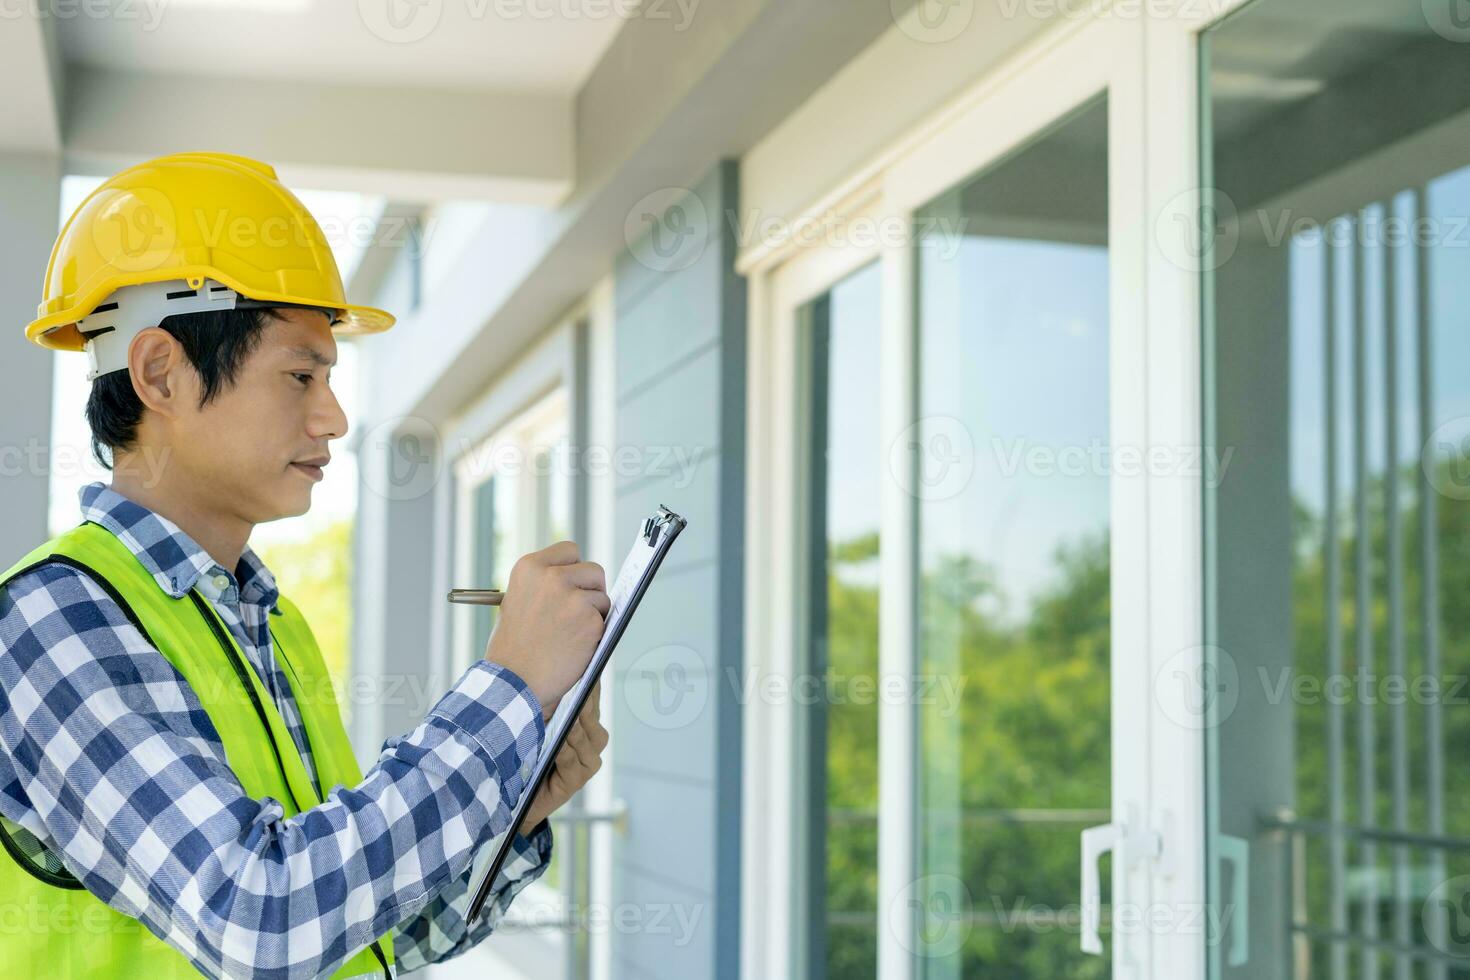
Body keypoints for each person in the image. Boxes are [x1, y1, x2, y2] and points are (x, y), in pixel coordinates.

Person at [0, 152, 610, 978]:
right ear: (159, 374)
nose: (334, 416)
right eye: (299, 375)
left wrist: (513, 806)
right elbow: (259, 923)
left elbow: (371, 935)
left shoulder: (268, 624)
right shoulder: (50, 622)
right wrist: (504, 692)